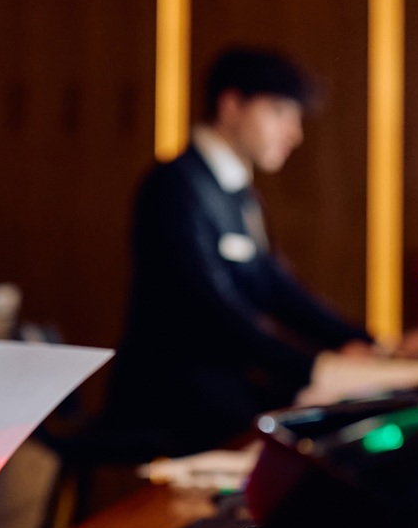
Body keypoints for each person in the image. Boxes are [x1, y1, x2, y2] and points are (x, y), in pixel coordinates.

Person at [103, 49, 370, 456]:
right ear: (231, 106)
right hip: (173, 398)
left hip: (223, 388)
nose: (294, 133)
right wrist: (313, 368)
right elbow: (210, 310)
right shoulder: (175, 185)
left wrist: (363, 342)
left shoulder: (239, 192)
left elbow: (275, 286)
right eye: (279, 111)